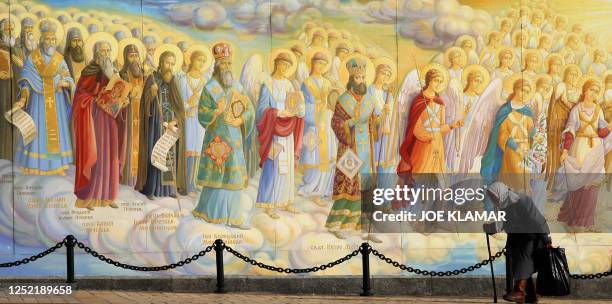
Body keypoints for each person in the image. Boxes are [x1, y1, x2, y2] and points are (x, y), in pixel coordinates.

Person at [192, 42, 255, 229]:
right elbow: (202, 114)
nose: (227, 67)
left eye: (229, 63)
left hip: (234, 139)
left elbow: (249, 108)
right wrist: (216, 111)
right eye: (223, 64)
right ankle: (210, 213)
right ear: (217, 66)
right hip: (216, 139)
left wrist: (240, 120)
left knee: (234, 175)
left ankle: (235, 217)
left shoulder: (237, 86)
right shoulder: (210, 88)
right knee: (216, 174)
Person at [325, 56, 380, 241]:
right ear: (351, 79)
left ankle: (365, 228)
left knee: (366, 188)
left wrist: (381, 120)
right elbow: (336, 123)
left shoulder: (370, 100)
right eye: (357, 78)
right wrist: (351, 122)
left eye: (363, 78)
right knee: (347, 186)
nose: (361, 81)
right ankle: (336, 224)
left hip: (367, 152)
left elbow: (373, 124)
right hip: (350, 149)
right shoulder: (343, 100)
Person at [14, 20, 75, 175]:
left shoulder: (59, 59)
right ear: (41, 40)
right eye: (47, 39)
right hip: (37, 103)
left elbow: (69, 78)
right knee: (38, 132)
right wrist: (24, 96)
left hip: (57, 102)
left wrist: (65, 83)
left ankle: (57, 166)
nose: (50, 42)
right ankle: (33, 165)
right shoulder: (33, 57)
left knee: (56, 133)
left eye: (53, 39)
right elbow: (26, 77)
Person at [73, 40, 127, 210]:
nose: (105, 54)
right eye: (102, 51)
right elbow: (80, 98)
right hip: (94, 121)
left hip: (110, 122)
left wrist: (123, 103)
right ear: (95, 53)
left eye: (108, 51)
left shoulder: (115, 73)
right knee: (96, 157)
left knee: (110, 156)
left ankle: (108, 196)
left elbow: (120, 95)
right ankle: (89, 197)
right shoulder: (89, 72)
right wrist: (94, 100)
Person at [483, 181, 553, 304]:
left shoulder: (522, 200)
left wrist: (546, 239)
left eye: (493, 195)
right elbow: (501, 224)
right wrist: (489, 228)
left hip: (530, 236)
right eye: (491, 196)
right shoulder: (501, 205)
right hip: (515, 237)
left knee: (523, 261)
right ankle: (531, 296)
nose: (492, 198)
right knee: (521, 265)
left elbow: (538, 220)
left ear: (500, 192)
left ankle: (519, 291)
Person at [255, 51, 305, 219]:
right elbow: (261, 110)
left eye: (289, 66)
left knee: (286, 167)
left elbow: (295, 104)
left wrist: (298, 109)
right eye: (284, 64)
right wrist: (277, 112)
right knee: (273, 165)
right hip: (274, 131)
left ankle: (286, 201)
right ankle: (269, 203)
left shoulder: (290, 85)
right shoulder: (267, 84)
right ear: (276, 64)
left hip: (287, 132)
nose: (285, 68)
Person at [556, 79, 608, 230]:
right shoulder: (577, 109)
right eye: (591, 89)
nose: (593, 93)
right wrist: (565, 150)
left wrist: (608, 127)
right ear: (585, 90)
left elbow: (602, 132)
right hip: (579, 147)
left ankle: (587, 222)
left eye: (597, 91)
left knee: (592, 183)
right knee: (579, 181)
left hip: (595, 149)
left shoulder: (598, 110)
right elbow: (570, 130)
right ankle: (574, 219)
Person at [135, 49, 187, 199]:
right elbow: (144, 106)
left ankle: (169, 190)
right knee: (156, 153)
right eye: (167, 62)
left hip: (171, 126)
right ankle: (151, 189)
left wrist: (175, 121)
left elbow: (179, 107)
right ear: (160, 63)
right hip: (156, 124)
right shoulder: (152, 79)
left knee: (170, 156)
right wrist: (151, 95)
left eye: (172, 63)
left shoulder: (174, 81)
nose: (169, 66)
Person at [481, 78, 534, 194]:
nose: (524, 94)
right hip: (511, 149)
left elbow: (532, 131)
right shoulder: (505, 110)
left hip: (526, 149)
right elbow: (502, 134)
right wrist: (516, 148)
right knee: (517, 178)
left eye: (527, 91)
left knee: (525, 178)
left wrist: (539, 137)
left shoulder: (527, 111)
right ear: (515, 89)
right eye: (522, 90)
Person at [297, 50, 337, 207]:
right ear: (312, 63)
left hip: (327, 122)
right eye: (318, 63)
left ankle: (324, 188)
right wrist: (318, 108)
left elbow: (332, 101)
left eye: (323, 64)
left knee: (328, 155)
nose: (320, 67)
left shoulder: (328, 83)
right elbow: (303, 104)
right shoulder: (306, 83)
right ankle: (312, 189)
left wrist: (330, 107)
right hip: (314, 123)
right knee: (314, 154)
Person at [177, 48, 210, 195]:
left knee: (197, 151)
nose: (201, 63)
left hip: (199, 120)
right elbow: (177, 102)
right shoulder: (183, 79)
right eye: (199, 60)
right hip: (187, 119)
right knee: (188, 150)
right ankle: (185, 185)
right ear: (191, 60)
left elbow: (209, 102)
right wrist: (188, 104)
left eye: (203, 61)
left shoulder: (205, 81)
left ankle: (194, 183)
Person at [119, 43, 145, 187]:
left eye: (137, 56)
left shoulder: (145, 75)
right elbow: (113, 100)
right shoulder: (121, 75)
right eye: (131, 56)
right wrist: (126, 98)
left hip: (142, 119)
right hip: (127, 119)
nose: (135, 59)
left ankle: (140, 181)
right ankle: (127, 179)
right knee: (127, 147)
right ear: (125, 58)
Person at [0, 18, 24, 160]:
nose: (10, 32)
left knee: (14, 123)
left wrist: (21, 64)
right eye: (7, 29)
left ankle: (14, 158)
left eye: (12, 29)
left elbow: (27, 72)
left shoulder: (18, 51)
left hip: (15, 92)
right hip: (1, 92)